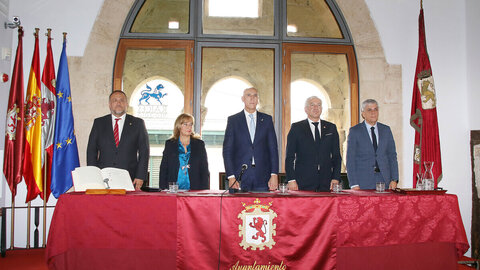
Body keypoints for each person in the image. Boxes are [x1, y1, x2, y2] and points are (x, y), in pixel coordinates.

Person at [87, 90, 149, 190]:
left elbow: (144, 152)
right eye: (115, 100)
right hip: (103, 177)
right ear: (109, 105)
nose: (118, 103)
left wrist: (140, 175)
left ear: (126, 104)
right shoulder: (99, 123)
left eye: (122, 100)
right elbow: (91, 151)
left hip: (130, 177)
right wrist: (94, 175)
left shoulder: (138, 123)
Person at [223, 87, 279, 191]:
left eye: (255, 95)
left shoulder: (267, 120)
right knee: (238, 207)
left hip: (263, 177)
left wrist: (274, 174)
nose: (252, 98)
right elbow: (227, 151)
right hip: (239, 177)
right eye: (249, 95)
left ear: (258, 99)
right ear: (243, 99)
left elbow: (273, 149)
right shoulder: (233, 120)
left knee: (262, 207)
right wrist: (231, 176)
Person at [285, 96, 341, 191]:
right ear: (306, 109)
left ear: (322, 108)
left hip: (326, 181)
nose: (316, 108)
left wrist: (335, 177)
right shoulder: (296, 128)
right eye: (312, 105)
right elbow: (290, 156)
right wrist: (291, 179)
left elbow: (336, 156)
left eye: (319, 105)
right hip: (302, 181)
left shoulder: (331, 127)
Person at [346, 99, 399, 190]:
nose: (373, 113)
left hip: (385, 181)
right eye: (369, 110)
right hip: (363, 182)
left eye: (375, 109)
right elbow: (350, 159)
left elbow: (392, 156)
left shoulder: (386, 130)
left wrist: (394, 179)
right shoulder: (355, 131)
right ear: (363, 113)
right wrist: (354, 184)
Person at [159, 113, 210, 190]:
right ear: (178, 126)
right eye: (185, 124)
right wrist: (162, 189)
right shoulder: (170, 144)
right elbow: (164, 168)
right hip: (173, 190)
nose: (189, 127)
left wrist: (205, 190)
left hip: (195, 189)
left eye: (191, 124)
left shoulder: (199, 144)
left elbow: (204, 170)